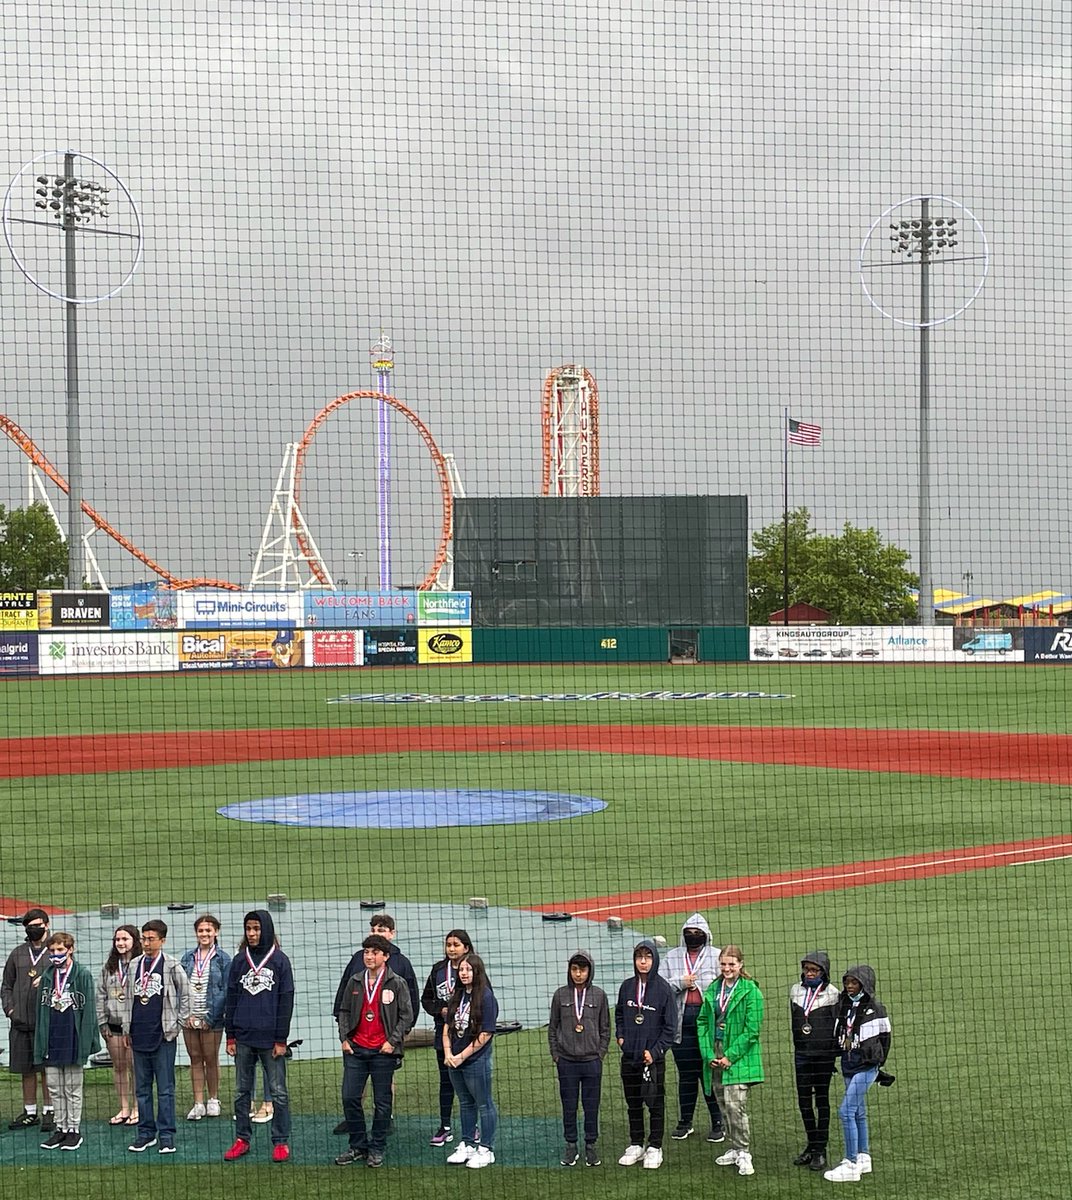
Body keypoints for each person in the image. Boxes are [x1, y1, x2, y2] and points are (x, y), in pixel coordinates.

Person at [331, 912, 421, 1136]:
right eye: (373, 929)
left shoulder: (401, 963)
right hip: (358, 1036)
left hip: (387, 1038)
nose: (377, 933)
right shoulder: (358, 958)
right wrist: (343, 1030)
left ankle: (385, 1118)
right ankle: (354, 1118)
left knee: (386, 1080)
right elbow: (344, 991)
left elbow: (412, 1000)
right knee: (355, 1081)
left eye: (381, 930)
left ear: (392, 934)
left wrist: (402, 1033)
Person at [223, 909, 295, 1164]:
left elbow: (286, 1001)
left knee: (278, 1092)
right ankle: (242, 1139)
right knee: (241, 1092)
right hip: (243, 1038)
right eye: (248, 929)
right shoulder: (239, 961)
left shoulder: (280, 961)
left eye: (256, 929)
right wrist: (230, 1036)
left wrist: (281, 1039)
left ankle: (280, 1141)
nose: (252, 934)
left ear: (266, 929)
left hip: (271, 1041)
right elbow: (231, 998)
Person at [121, 919, 192, 1154]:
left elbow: (187, 994)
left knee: (165, 1089)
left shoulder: (171, 965)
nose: (146, 943)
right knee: (141, 1089)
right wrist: (126, 1028)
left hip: (163, 1037)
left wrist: (177, 1024)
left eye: (151, 939)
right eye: (144, 938)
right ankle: (145, 1134)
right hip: (138, 1035)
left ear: (162, 940)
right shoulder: (134, 965)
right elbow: (126, 998)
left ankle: (167, 1135)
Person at [698, 944, 764, 1177]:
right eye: (723, 964)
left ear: (740, 964)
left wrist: (730, 1056)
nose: (727, 968)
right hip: (715, 1052)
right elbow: (702, 1022)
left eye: (731, 964)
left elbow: (752, 1031)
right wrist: (708, 1054)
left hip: (739, 1056)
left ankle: (744, 1152)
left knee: (736, 1105)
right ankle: (735, 1148)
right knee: (723, 1103)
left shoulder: (751, 991)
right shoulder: (713, 988)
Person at [659, 913, 724, 1142]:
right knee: (686, 1074)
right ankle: (685, 1122)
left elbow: (725, 988)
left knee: (709, 1073)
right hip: (681, 1025)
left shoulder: (717, 957)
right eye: (689, 933)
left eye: (697, 933)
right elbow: (660, 987)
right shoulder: (672, 957)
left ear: (706, 935)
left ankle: (718, 1122)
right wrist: (681, 982)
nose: (693, 936)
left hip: (708, 1026)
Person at [824, 965, 891, 1184]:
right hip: (848, 1064)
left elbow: (886, 1037)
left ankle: (850, 1163)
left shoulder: (876, 1008)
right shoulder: (843, 1005)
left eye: (854, 982)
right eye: (847, 982)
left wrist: (877, 1062)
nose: (849, 986)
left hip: (866, 1066)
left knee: (846, 1111)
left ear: (865, 985)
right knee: (859, 1112)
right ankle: (864, 1157)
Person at [33, 931, 100, 1151]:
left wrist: (86, 1043)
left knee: (72, 1088)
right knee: (54, 1087)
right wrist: (40, 1043)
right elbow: (40, 1013)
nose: (56, 954)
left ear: (70, 949)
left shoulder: (82, 975)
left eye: (60, 950)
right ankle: (60, 1128)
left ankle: (74, 1130)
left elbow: (89, 1012)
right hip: (52, 1038)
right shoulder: (46, 977)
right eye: (52, 951)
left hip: (73, 1037)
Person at [614, 938, 676, 1170]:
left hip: (653, 1060)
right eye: (639, 957)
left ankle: (655, 1146)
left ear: (654, 960)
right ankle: (636, 1143)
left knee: (655, 1103)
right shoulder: (627, 987)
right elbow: (619, 1014)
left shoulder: (664, 990)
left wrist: (656, 1051)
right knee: (633, 1103)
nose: (643, 962)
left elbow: (670, 1028)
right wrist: (621, 1037)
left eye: (647, 957)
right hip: (630, 1057)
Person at [548, 949, 609, 1167]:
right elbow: (553, 1028)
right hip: (567, 1062)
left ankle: (590, 1145)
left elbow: (605, 1028)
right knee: (569, 1105)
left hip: (592, 1061)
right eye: (574, 969)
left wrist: (600, 1053)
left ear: (589, 971)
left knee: (591, 1105)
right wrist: (556, 1055)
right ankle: (571, 1144)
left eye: (582, 970)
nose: (578, 974)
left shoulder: (599, 995)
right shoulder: (560, 995)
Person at [443, 952, 499, 1169]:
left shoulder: (486, 997)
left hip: (475, 1060)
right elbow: (447, 1027)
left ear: (477, 971)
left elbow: (486, 1033)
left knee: (484, 1103)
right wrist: (448, 1053)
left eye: (469, 970)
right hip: (455, 1060)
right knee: (465, 1102)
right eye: (461, 970)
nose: (464, 973)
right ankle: (467, 1144)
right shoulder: (457, 995)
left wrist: (461, 1056)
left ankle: (486, 1149)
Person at [2, 908, 55, 1132]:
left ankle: (50, 1111)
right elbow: (6, 985)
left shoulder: (55, 951)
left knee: (47, 1069)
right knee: (27, 1069)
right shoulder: (17, 953)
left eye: (37, 926)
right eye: (29, 927)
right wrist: (10, 1010)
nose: (33, 930)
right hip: (21, 1022)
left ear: (46, 924)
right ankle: (30, 1112)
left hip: (46, 1023)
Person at [420, 928, 473, 1146]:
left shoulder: (473, 968)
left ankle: (472, 1127)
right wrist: (440, 1010)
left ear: (466, 948)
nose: (451, 949)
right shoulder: (438, 970)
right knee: (446, 1082)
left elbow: (482, 997)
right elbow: (426, 999)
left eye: (456, 945)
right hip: (443, 1037)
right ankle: (445, 1127)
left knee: (469, 1083)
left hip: (468, 1037)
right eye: (448, 945)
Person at [790, 952, 840, 1172]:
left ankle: (820, 1149)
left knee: (822, 1101)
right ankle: (811, 1145)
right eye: (807, 969)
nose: (809, 973)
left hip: (823, 1056)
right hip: (801, 1054)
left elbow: (837, 1026)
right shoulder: (795, 990)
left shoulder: (833, 994)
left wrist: (834, 1053)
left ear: (823, 972)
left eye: (814, 970)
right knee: (804, 1102)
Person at [180, 913, 232, 1120]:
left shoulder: (223, 959)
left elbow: (225, 991)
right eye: (200, 930)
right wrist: (186, 1015)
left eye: (208, 930)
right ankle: (198, 1103)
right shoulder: (187, 958)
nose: (204, 934)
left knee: (210, 1058)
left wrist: (209, 1018)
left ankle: (213, 1099)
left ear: (216, 932)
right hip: (190, 1018)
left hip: (212, 1018)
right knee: (195, 1058)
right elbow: (180, 987)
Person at [95, 924, 141, 1126]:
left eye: (125, 939)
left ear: (134, 941)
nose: (121, 943)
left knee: (136, 1068)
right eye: (117, 940)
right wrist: (102, 1022)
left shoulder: (141, 965)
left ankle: (138, 1108)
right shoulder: (109, 967)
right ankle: (124, 1108)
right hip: (113, 1026)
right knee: (119, 1067)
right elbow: (100, 997)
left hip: (135, 1027)